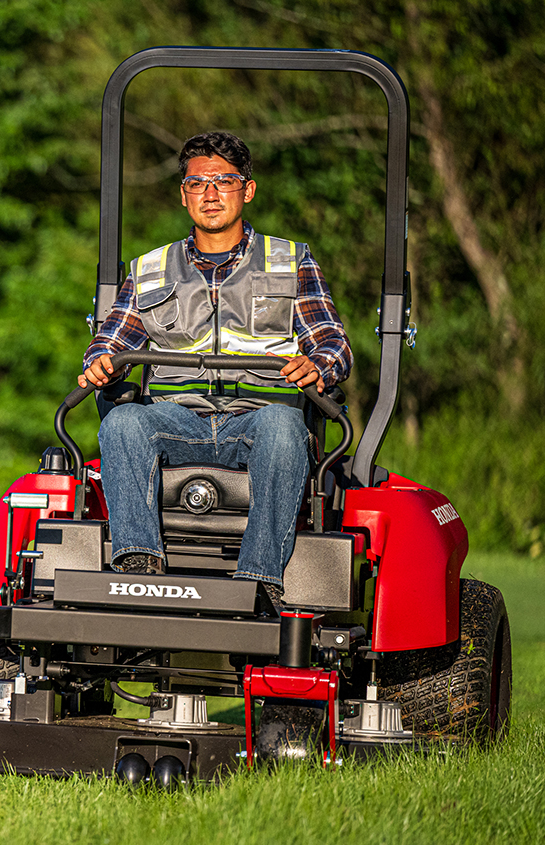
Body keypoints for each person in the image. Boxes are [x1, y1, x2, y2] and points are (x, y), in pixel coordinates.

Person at [78, 131, 352, 607]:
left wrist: (319, 364)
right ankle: (138, 564)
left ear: (247, 190)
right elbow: (111, 342)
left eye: (224, 180)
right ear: (183, 194)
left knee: (286, 428)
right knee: (122, 422)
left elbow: (333, 343)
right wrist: (99, 364)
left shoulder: (291, 262)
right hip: (177, 419)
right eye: (197, 182)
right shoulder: (149, 270)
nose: (210, 193)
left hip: (262, 417)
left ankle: (258, 579)